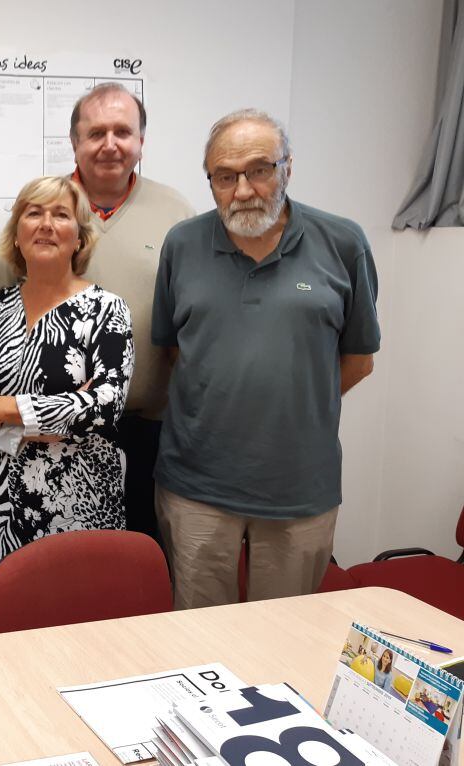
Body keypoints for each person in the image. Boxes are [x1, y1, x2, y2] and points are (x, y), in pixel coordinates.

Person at [152, 109, 380, 609]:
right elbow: (174, 350)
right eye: (225, 176)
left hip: (298, 488)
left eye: (260, 169)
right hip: (196, 485)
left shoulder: (343, 243)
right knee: (196, 638)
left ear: (288, 168)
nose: (244, 190)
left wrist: (293, 397)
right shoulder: (182, 245)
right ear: (210, 179)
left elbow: (358, 360)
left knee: (283, 639)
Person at [0, 82, 193, 543]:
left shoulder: (175, 212)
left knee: (133, 559)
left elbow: (193, 317)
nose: (110, 144)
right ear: (74, 142)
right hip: (45, 433)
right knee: (46, 566)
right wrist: (29, 409)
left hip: (149, 428)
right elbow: (0, 314)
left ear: (142, 140)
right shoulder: (41, 211)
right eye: (95, 132)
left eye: (124, 131)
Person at [0, 175, 133, 635]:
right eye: (34, 213)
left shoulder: (107, 310)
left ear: (80, 236)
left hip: (77, 500)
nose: (46, 224)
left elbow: (106, 404)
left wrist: (7, 410)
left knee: (75, 629)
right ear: (17, 233)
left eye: (60, 214)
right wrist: (58, 413)